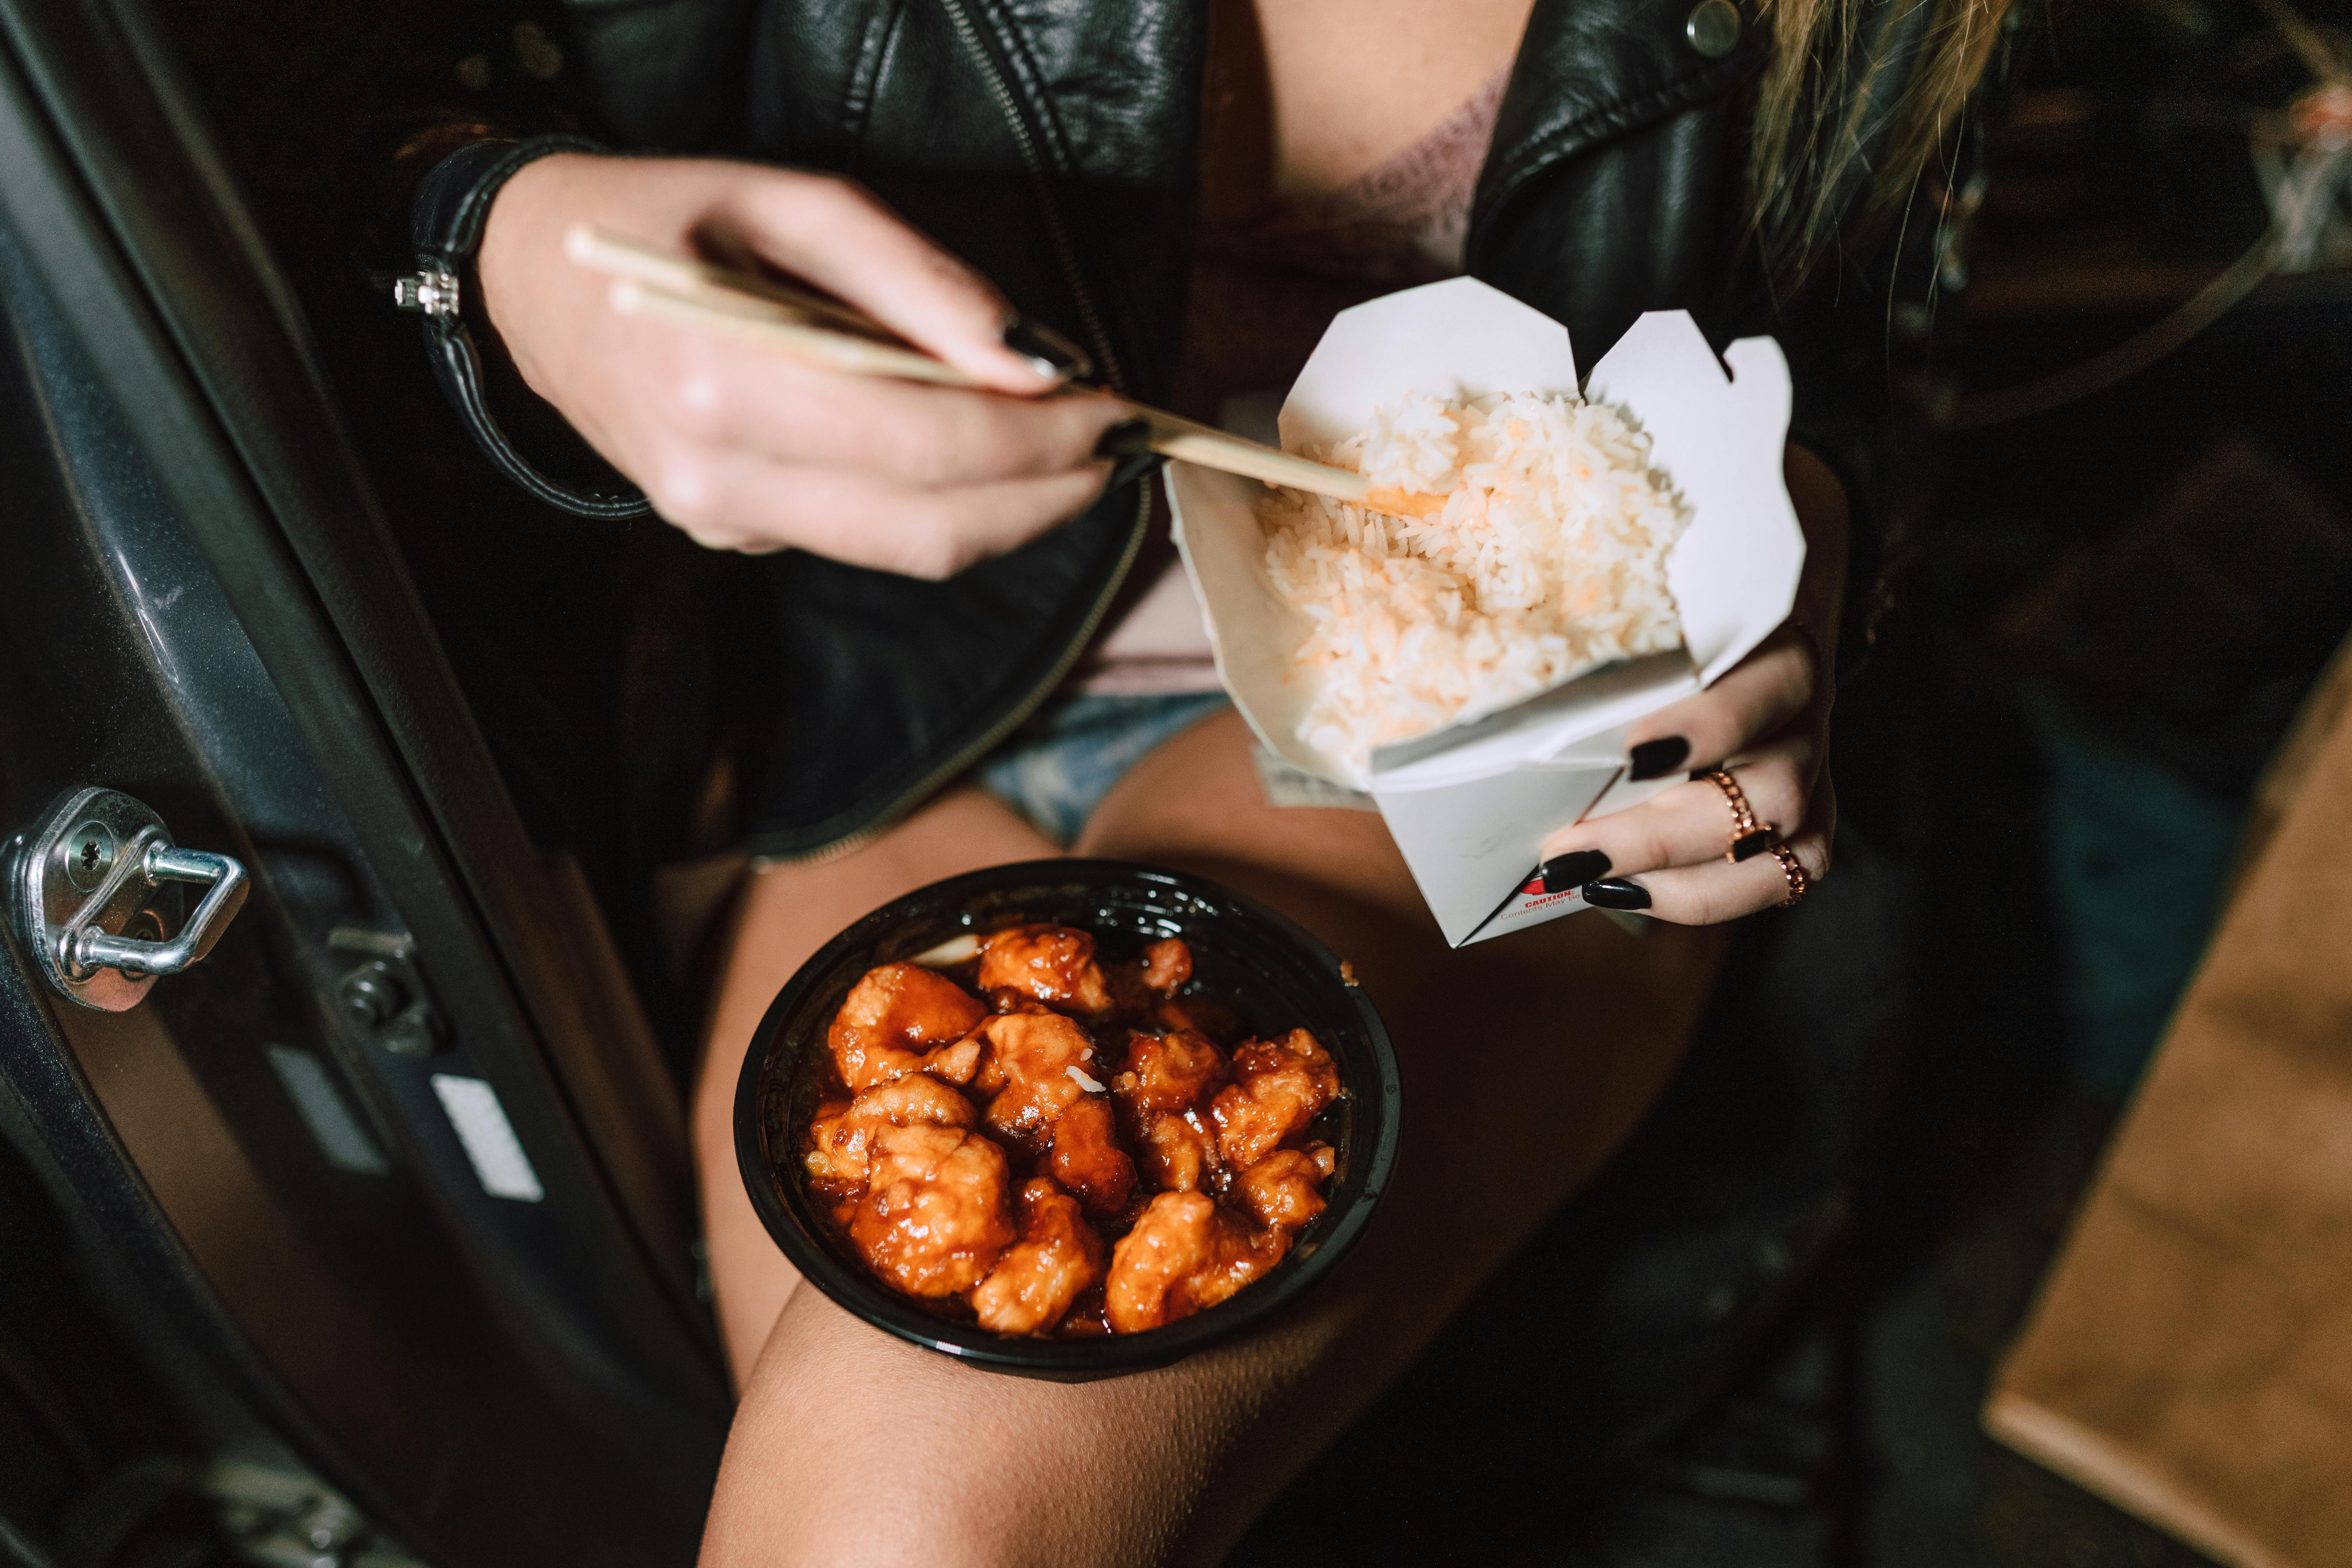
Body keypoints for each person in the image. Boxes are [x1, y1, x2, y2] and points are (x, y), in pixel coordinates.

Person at [385, 0, 2005, 1556]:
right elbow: (345, 111)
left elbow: (1866, 332)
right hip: (861, 691)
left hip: (1457, 731)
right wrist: (494, 236)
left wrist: (1803, 519)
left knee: (924, 1508)